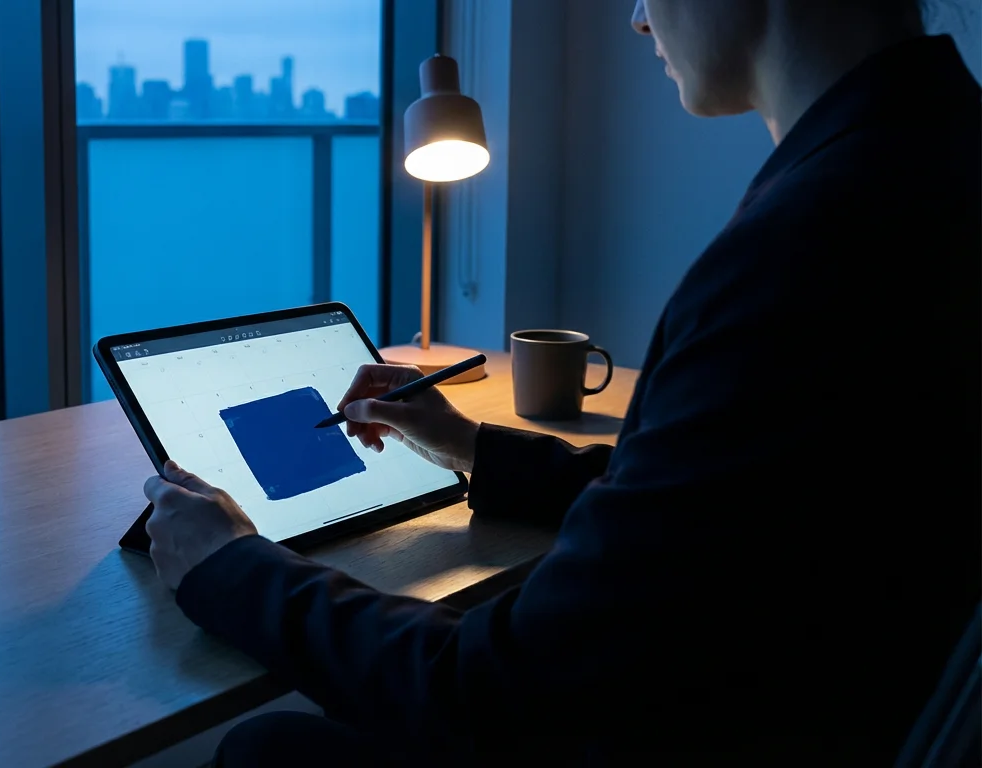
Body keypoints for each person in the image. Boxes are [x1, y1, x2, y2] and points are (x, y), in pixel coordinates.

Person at [142, 0, 981, 763]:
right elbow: (711, 503)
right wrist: (471, 446)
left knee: (270, 751)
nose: (638, 22)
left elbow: (504, 692)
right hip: (837, 688)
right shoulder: (932, 158)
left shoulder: (810, 248)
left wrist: (234, 567)